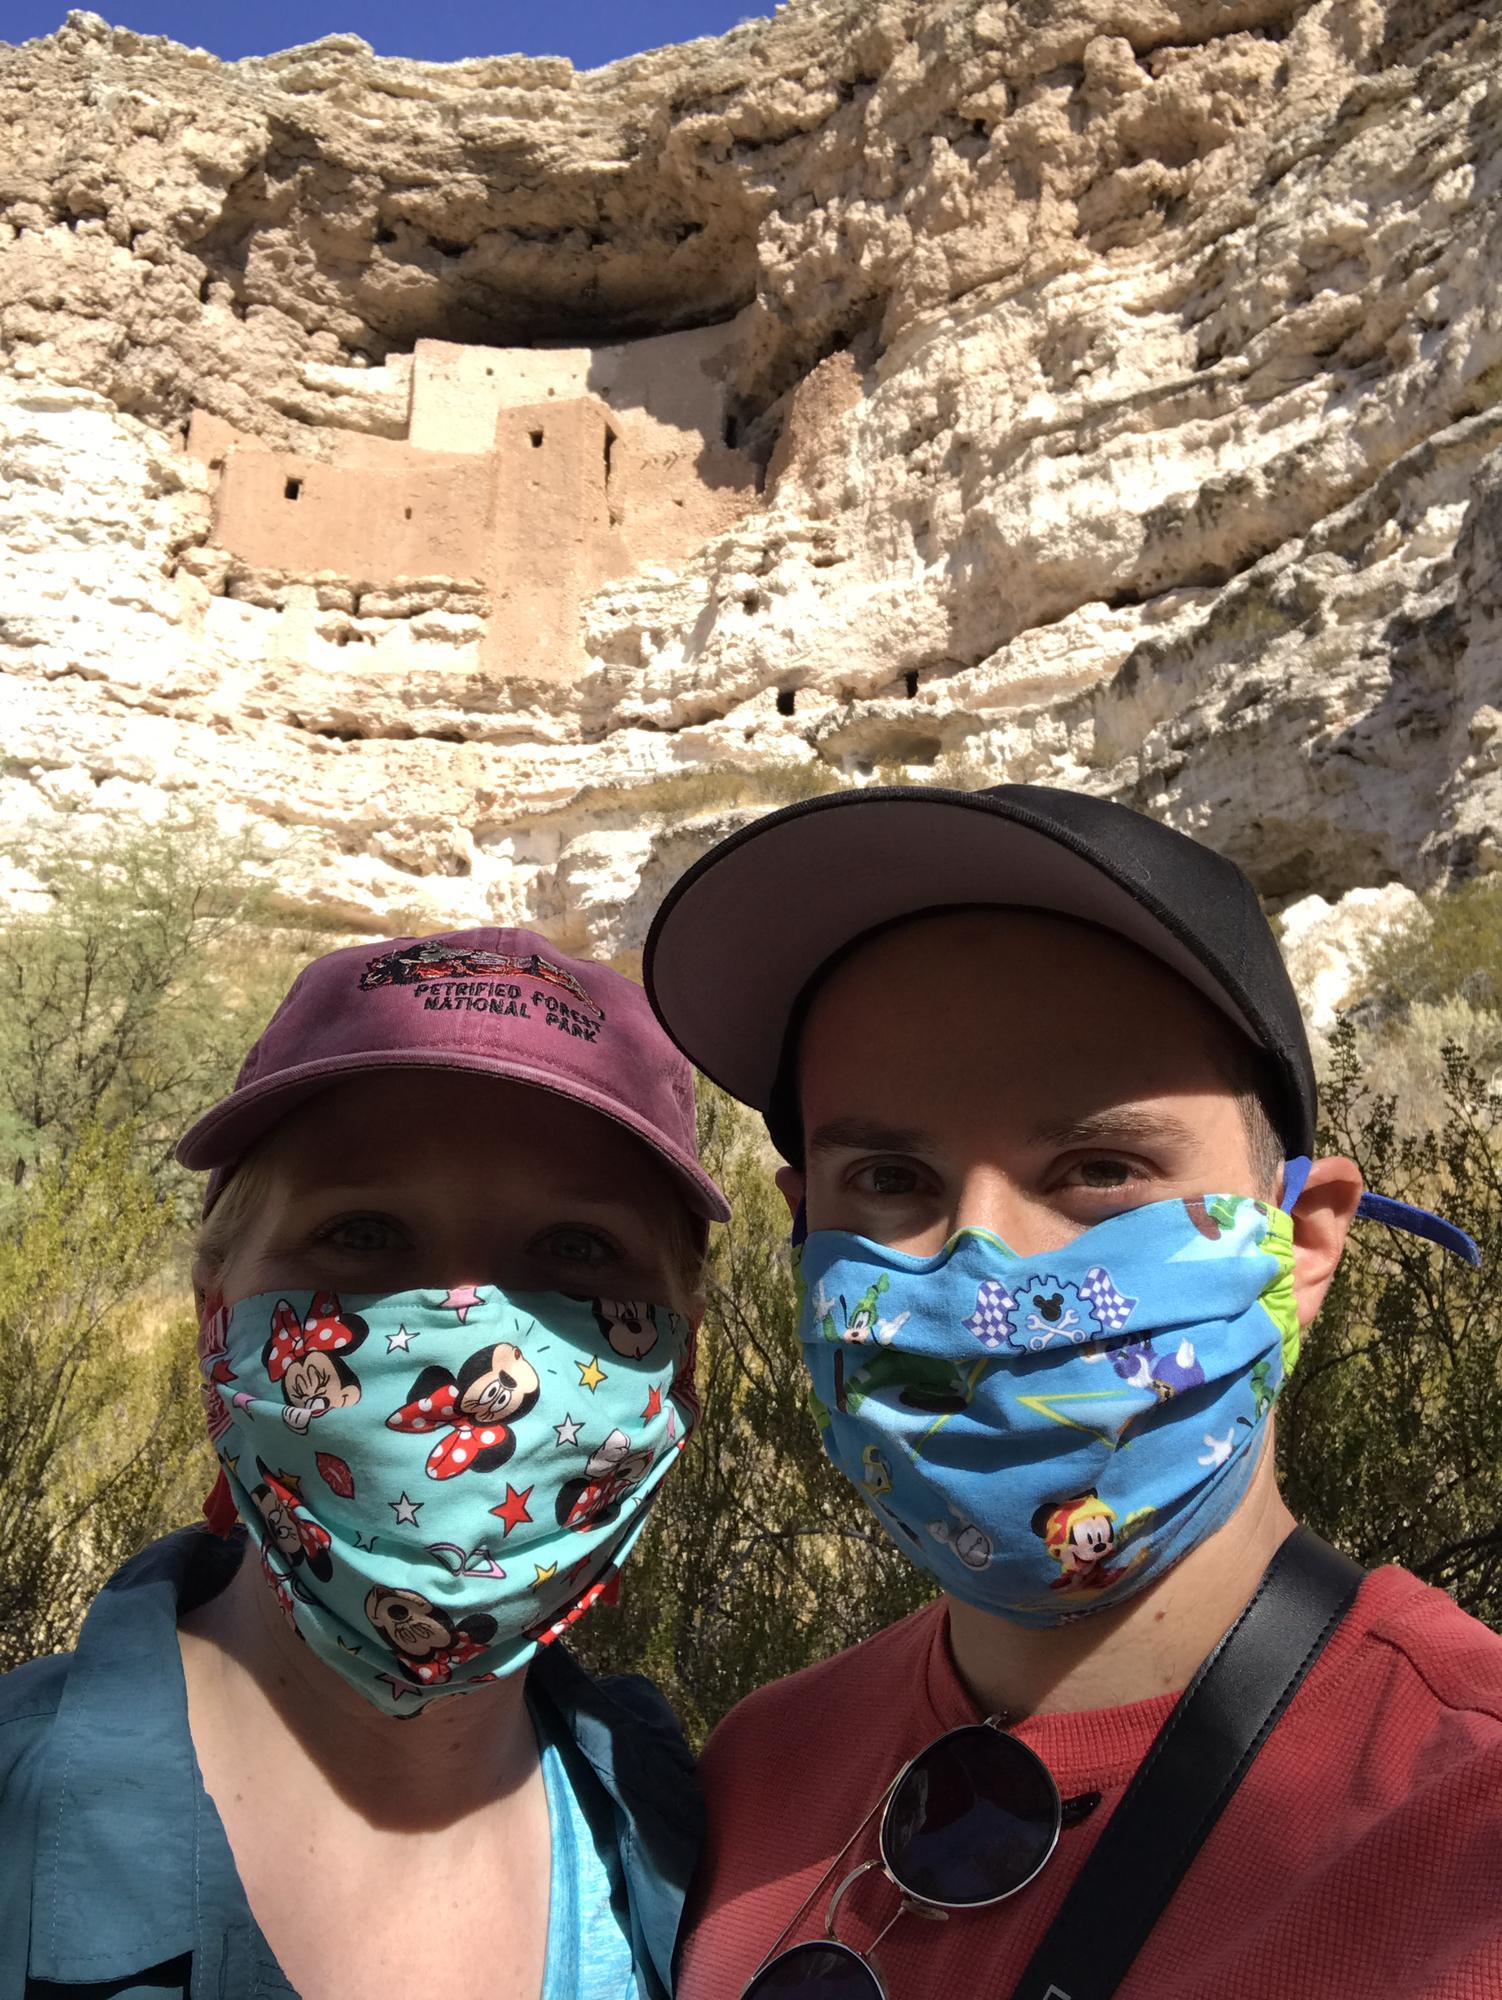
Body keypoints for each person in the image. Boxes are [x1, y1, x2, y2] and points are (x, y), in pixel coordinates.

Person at [643, 784, 1502, 1999]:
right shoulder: (754, 1766)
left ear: (1301, 1243)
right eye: (888, 1176)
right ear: (802, 1226)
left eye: (1097, 1168)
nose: (975, 1253)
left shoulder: (1465, 1828)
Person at [0, 926, 728, 2000]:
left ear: (681, 1362)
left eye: (575, 1250)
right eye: (365, 1233)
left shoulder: (709, 1847)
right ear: (215, 1320)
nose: (467, 1322)